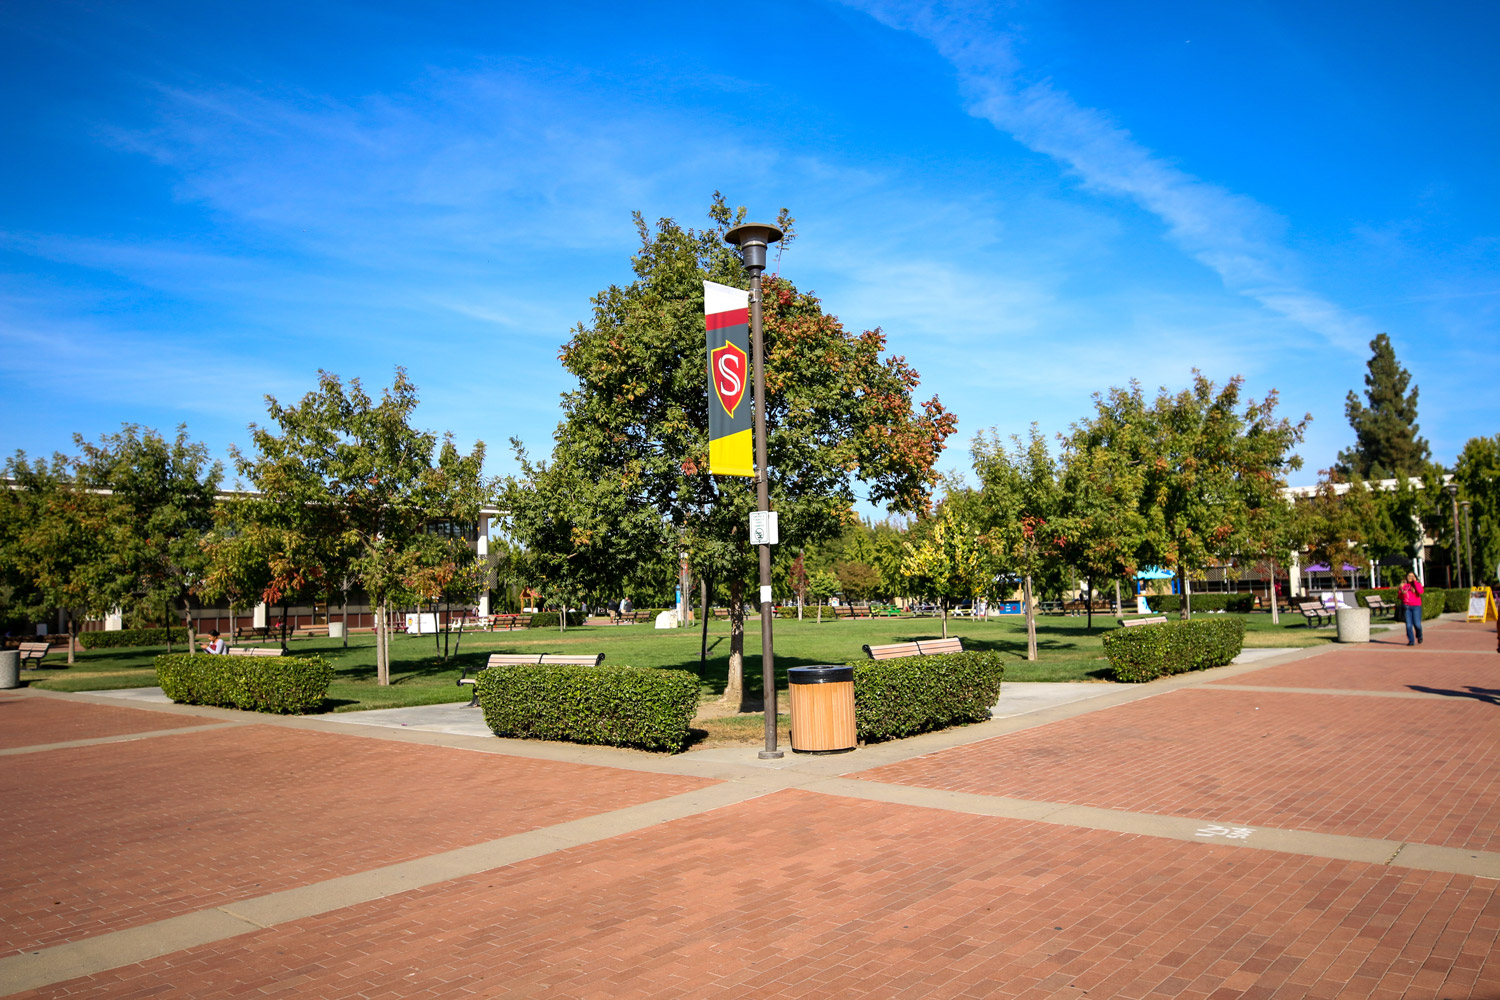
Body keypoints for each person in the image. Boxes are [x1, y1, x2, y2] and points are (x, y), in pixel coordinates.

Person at [1397, 572, 1424, 646]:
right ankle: (1411, 641)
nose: (1410, 577)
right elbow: (1399, 597)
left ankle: (1419, 635)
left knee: (1417, 624)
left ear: (1415, 577)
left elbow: (1420, 591)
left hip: (1416, 606)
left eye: (1412, 576)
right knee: (1408, 625)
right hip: (1407, 607)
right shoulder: (1403, 585)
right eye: (1409, 576)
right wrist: (1402, 593)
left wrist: (1415, 582)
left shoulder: (1417, 584)